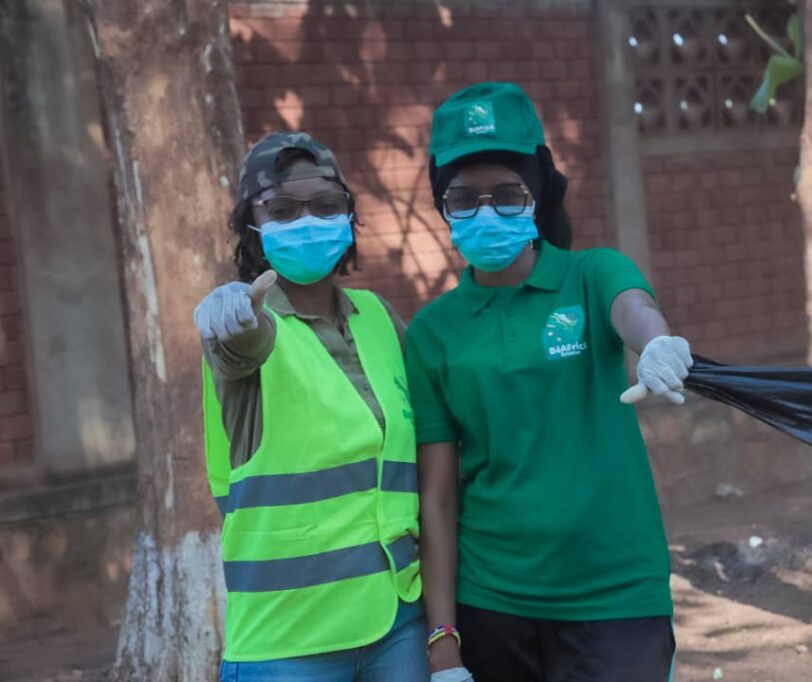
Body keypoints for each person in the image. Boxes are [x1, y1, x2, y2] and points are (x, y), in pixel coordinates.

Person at [407, 82, 693, 682]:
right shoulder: (433, 332)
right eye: (464, 198)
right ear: (443, 206)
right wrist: (443, 641)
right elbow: (437, 496)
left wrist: (655, 342)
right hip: (492, 601)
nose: (487, 212)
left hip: (618, 595)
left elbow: (633, 307)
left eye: (508, 194)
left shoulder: (591, 275)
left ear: (537, 195)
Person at [195, 131, 428, 682]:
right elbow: (240, 348)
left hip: (398, 617)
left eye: (326, 206)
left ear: (348, 217)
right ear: (252, 225)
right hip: (289, 637)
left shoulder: (378, 317)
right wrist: (230, 312)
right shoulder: (248, 323)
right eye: (282, 210)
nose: (308, 221)